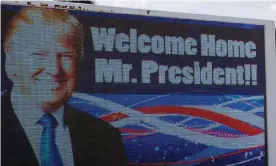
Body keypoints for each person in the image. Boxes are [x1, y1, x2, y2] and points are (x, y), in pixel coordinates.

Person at [1, 7, 128, 166]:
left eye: (65, 56)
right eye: (39, 55)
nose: (54, 69)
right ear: (11, 63)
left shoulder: (105, 136)